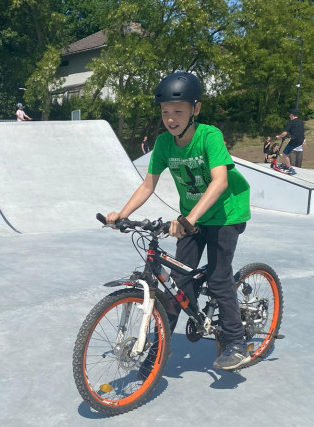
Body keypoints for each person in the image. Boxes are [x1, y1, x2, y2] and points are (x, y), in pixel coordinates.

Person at [106, 71, 252, 372]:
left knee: (218, 276)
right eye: (165, 113)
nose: (170, 118)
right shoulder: (163, 144)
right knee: (176, 282)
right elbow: (148, 185)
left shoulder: (208, 136)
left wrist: (188, 219)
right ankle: (161, 349)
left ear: (195, 110)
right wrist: (123, 214)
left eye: (178, 111)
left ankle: (237, 342)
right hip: (192, 217)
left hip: (226, 214)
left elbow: (220, 181)